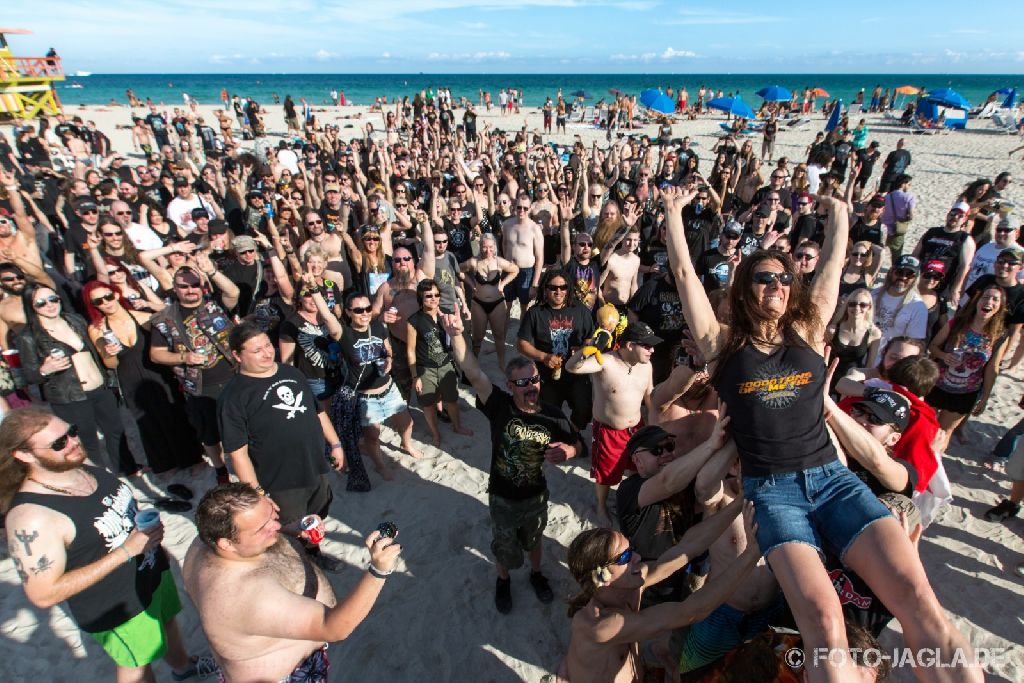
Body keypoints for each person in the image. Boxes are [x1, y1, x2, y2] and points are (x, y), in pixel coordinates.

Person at [661, 186, 980, 681]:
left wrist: (840, 216)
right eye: (766, 278)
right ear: (745, 288)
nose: (778, 285)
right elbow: (684, 275)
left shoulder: (806, 334)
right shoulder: (721, 345)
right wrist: (672, 212)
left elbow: (831, 272)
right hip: (774, 493)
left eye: (784, 278)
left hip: (833, 479)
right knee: (825, 624)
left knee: (919, 601)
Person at [1, 407, 218, 683]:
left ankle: (183, 666)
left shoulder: (78, 463)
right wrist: (127, 551)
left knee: (167, 621)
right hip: (116, 605)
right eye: (59, 443)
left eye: (72, 431)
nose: (72, 442)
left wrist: (145, 537)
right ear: (23, 455)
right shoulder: (30, 518)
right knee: (137, 664)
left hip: (150, 570)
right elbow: (43, 593)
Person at [184, 483, 400, 683]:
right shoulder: (246, 595)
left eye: (271, 514)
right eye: (262, 528)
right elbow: (334, 628)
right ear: (227, 544)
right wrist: (378, 570)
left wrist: (290, 530)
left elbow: (260, 529)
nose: (276, 525)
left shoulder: (203, 543)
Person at [445, 313, 583, 614]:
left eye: (534, 379)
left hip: (535, 494)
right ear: (510, 386)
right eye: (523, 382)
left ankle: (535, 574)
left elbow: (579, 444)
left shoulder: (551, 414)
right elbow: (473, 371)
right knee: (504, 544)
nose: (531, 386)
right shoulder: (498, 406)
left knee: (534, 539)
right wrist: (457, 334)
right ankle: (503, 580)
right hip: (502, 495)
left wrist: (569, 452)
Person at [561, 503, 761, 683]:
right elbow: (693, 610)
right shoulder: (601, 625)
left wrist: (739, 503)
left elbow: (688, 547)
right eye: (626, 556)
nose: (638, 557)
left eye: (632, 549)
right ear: (603, 577)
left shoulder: (630, 584)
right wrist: (752, 553)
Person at [217, 321, 345, 571]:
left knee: (314, 519)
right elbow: (238, 454)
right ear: (237, 355)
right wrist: (258, 494)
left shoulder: (292, 373)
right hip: (281, 481)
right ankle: (297, 566)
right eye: (256, 350)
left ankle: (313, 554)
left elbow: (318, 413)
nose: (267, 353)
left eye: (268, 345)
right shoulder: (233, 397)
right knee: (289, 528)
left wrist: (336, 444)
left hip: (315, 466)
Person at [16, 283, 142, 477]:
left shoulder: (75, 320)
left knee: (116, 430)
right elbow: (29, 375)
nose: (50, 305)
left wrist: (107, 351)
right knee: (86, 441)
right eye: (41, 303)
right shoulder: (29, 336)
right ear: (31, 306)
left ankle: (128, 469)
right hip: (70, 396)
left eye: (53, 299)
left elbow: (95, 351)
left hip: (101, 387)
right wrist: (44, 370)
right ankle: (99, 477)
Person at [83, 280, 203, 478]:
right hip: (128, 378)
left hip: (157, 374)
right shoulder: (97, 329)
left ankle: (192, 459)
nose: (106, 303)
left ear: (116, 294)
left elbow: (169, 339)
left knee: (174, 415)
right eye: (98, 301)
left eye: (108, 296)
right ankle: (164, 464)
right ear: (94, 305)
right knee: (145, 423)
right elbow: (110, 364)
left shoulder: (143, 318)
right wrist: (109, 352)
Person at [566, 322, 658, 525]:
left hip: (636, 427)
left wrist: (653, 425)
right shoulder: (605, 362)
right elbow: (571, 367)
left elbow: (650, 395)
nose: (652, 350)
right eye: (647, 345)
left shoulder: (647, 365)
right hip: (609, 431)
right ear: (630, 345)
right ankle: (601, 505)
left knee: (638, 468)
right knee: (606, 474)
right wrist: (585, 351)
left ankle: (630, 498)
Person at [926, 286, 1008, 453]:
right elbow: (933, 346)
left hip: (966, 392)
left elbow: (992, 369)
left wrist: (984, 398)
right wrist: (943, 356)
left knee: (943, 433)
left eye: (995, 300)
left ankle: (933, 469)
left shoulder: (999, 336)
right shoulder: (956, 323)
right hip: (937, 384)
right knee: (926, 427)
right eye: (986, 297)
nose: (989, 302)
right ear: (977, 301)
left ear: (1000, 307)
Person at [517, 269, 596, 429]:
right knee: (548, 415)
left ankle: (573, 435)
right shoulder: (535, 313)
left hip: (577, 372)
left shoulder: (581, 310)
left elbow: (591, 338)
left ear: (569, 289)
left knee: (584, 411)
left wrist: (583, 348)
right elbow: (521, 344)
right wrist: (544, 356)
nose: (558, 291)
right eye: (553, 288)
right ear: (545, 289)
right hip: (547, 374)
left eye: (563, 287)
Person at [406, 279, 472, 447]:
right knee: (428, 405)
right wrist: (415, 377)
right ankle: (436, 434)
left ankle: (457, 426)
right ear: (421, 298)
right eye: (429, 296)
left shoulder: (447, 317)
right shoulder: (414, 320)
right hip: (425, 369)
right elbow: (410, 351)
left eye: (436, 295)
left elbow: (455, 341)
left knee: (452, 400)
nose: (434, 299)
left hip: (446, 364)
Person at [461, 233, 518, 368]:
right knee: (477, 338)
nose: (488, 250)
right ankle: (474, 364)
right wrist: (471, 284)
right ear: (480, 246)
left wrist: (503, 284)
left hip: (497, 303)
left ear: (495, 246)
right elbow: (459, 270)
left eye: (491, 247)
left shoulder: (499, 261)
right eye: (485, 247)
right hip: (478, 303)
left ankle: (502, 364)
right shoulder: (474, 262)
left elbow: (515, 270)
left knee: (499, 336)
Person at [872, 254, 928, 361]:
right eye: (899, 272)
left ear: (916, 278)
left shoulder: (918, 306)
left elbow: (914, 343)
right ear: (891, 272)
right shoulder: (873, 294)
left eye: (910, 274)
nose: (903, 277)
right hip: (864, 352)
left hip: (891, 359)